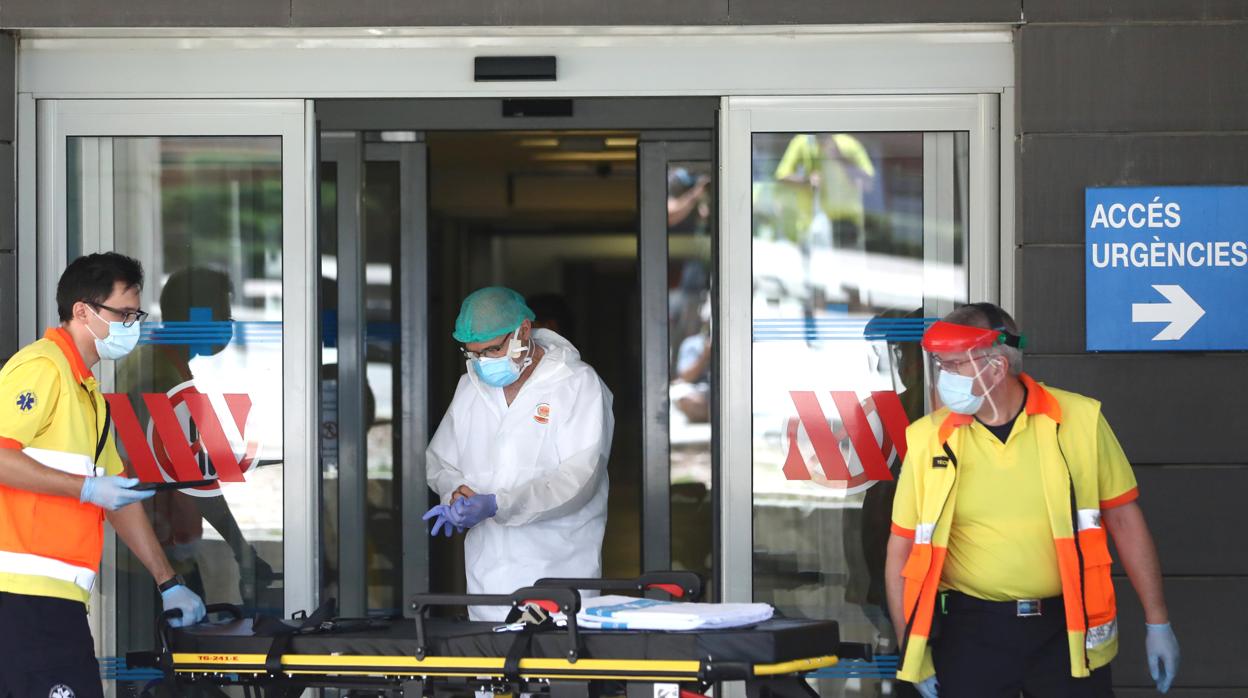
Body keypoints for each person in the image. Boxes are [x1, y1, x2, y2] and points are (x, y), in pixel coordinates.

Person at [886, 303, 1180, 697]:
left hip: (1065, 628)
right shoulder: (927, 439)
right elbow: (901, 549)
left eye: (954, 366)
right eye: (941, 365)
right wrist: (911, 648)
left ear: (996, 366)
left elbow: (1125, 522)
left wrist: (1157, 621)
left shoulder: (1079, 420)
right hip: (969, 632)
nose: (944, 378)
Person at [0, 252, 206, 698]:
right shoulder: (42, 368)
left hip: (57, 600)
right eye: (124, 313)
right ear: (83, 311)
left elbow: (120, 499)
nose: (132, 324)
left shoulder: (89, 395)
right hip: (19, 597)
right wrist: (86, 488)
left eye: (136, 313)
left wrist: (168, 581)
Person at [423, 287, 614, 621]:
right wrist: (455, 494)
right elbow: (442, 460)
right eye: (474, 354)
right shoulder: (470, 388)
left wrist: (501, 503)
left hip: (559, 573)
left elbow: (579, 479)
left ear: (523, 331)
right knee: (492, 666)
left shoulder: (576, 383)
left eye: (492, 350)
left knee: (553, 667)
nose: (483, 363)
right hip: (487, 579)